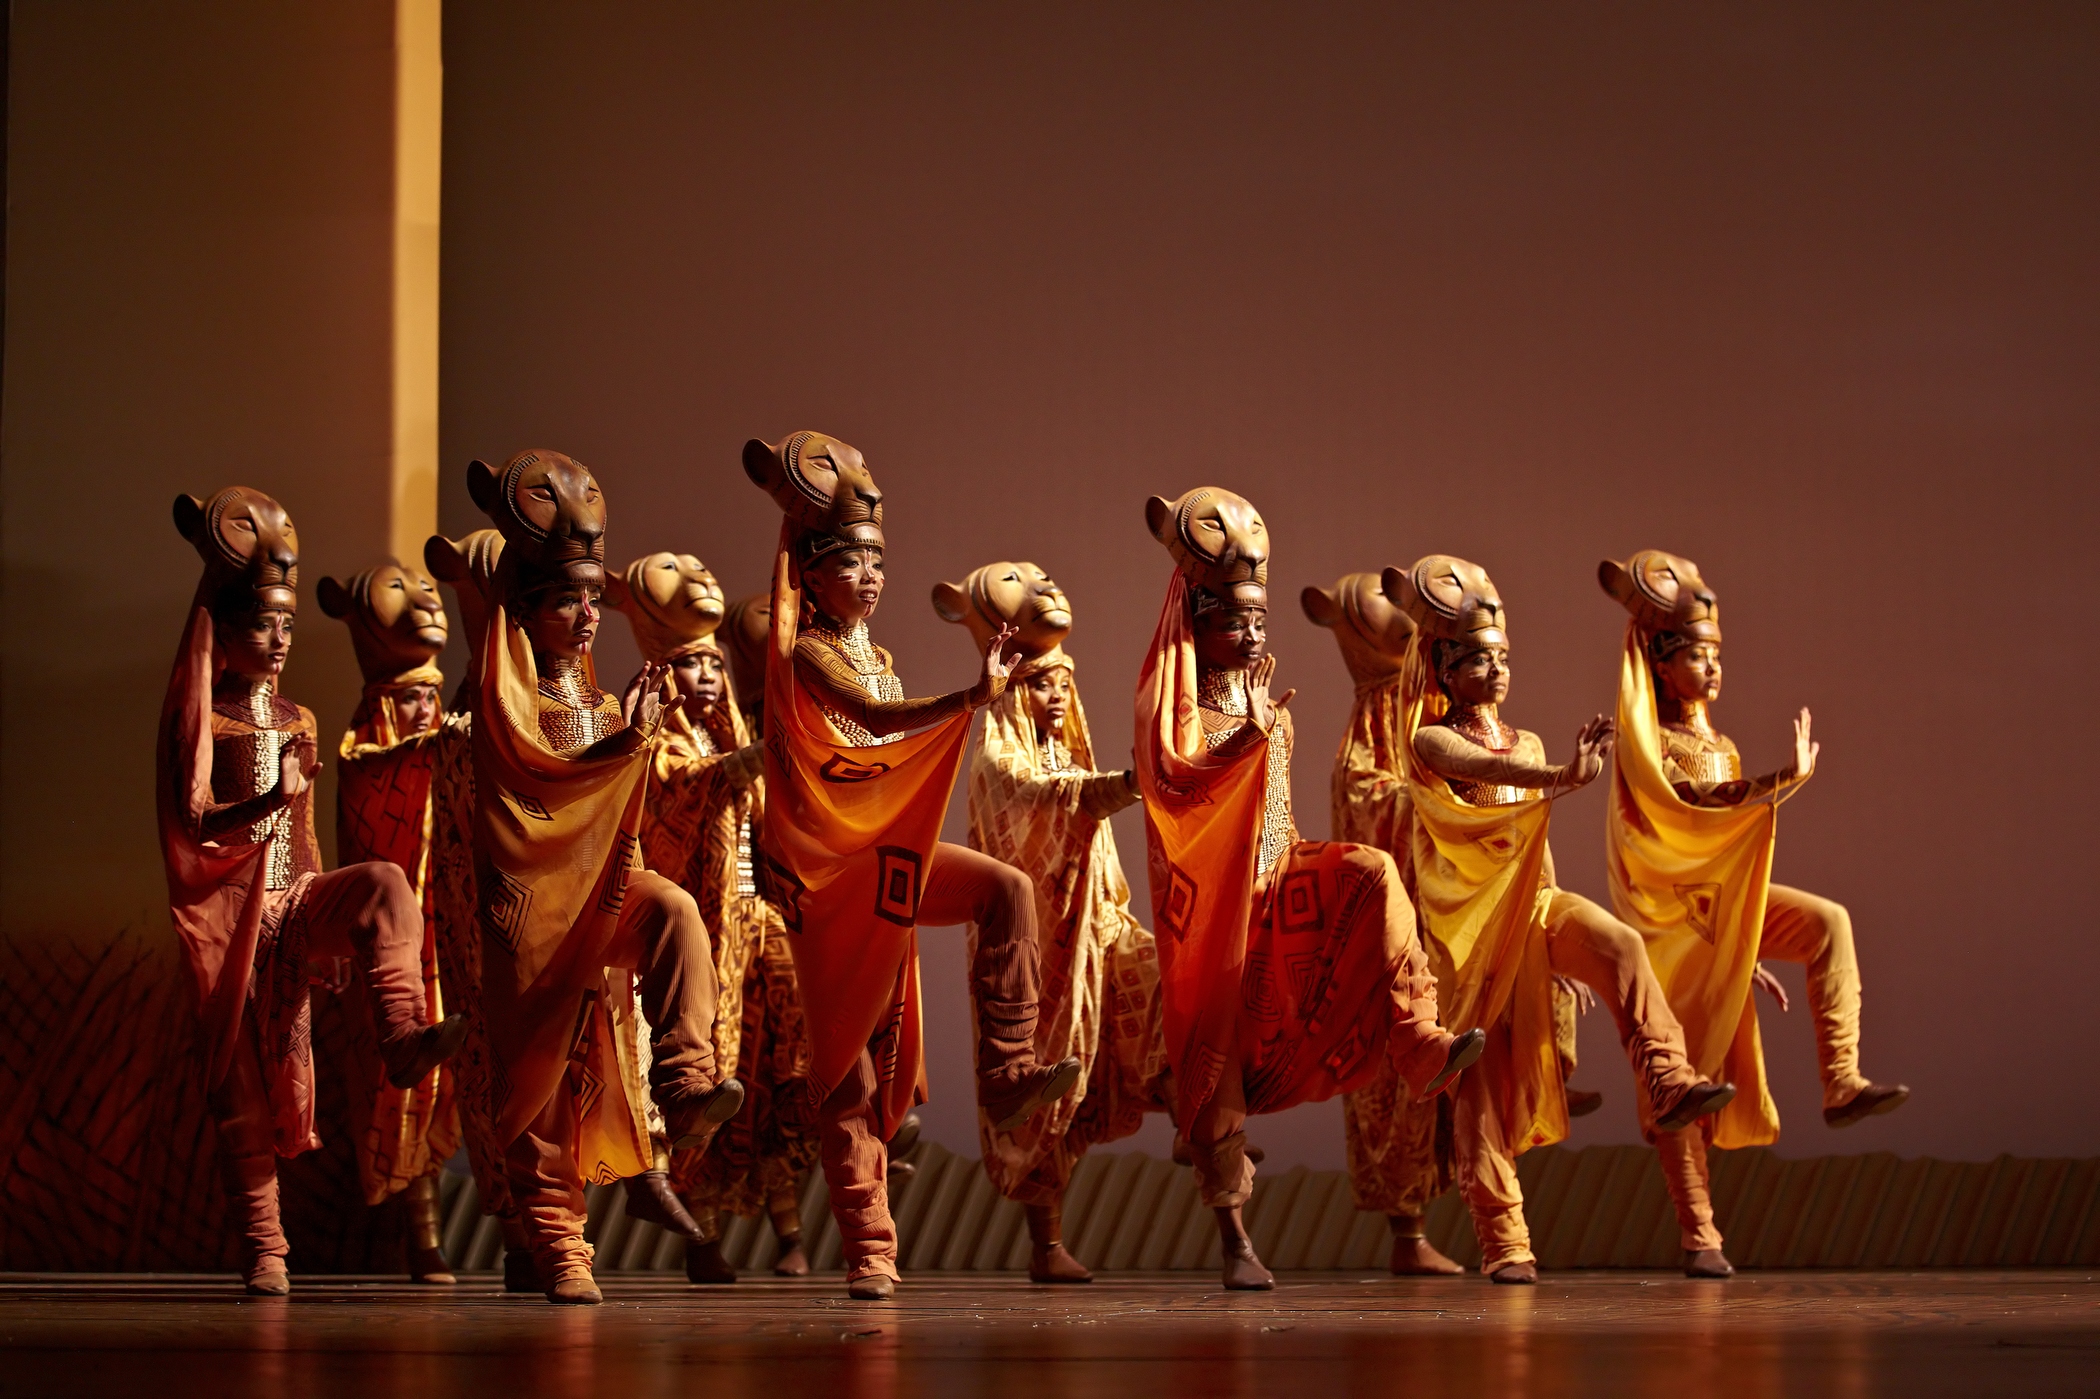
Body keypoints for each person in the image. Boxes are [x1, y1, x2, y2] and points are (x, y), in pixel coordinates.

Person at [743, 431, 1079, 1301]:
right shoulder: (808, 652)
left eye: (876, 562)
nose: (868, 576)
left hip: (884, 858)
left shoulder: (880, 656)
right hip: (831, 872)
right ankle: (869, 1245)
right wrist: (970, 698)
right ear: (809, 573)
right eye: (849, 561)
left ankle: (1007, 1072)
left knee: (1005, 889)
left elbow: (888, 735)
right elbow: (873, 723)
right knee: (850, 1066)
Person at [1133, 489, 1484, 1292]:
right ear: (1193, 618)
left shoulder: (1263, 697)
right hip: (1215, 908)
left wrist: (1263, 730)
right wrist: (1247, 737)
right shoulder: (1170, 698)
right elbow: (1174, 781)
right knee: (1213, 1070)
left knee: (1372, 871)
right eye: (1233, 619)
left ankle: (1417, 1037)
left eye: (1259, 620)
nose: (1252, 633)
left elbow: (1278, 811)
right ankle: (1234, 1237)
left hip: (1280, 877)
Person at [1388, 554, 1733, 1283]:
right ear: (1444, 668)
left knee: (1618, 944)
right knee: (1476, 1087)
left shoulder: (1532, 741)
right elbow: (1480, 771)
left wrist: (1557, 953)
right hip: (1472, 934)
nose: (1499, 672)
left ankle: (1667, 1077)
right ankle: (1505, 1239)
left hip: (1533, 907)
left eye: (1504, 658)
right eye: (1481, 661)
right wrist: (1558, 779)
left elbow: (1532, 849)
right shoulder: (1432, 741)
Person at [157, 486, 463, 1295]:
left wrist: (325, 906)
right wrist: (270, 796)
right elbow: (194, 824)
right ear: (221, 634)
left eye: (288, 624)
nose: (281, 638)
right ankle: (267, 1248)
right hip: (229, 928)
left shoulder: (299, 718)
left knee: (384, 885)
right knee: (242, 1092)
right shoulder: (202, 720)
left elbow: (306, 837)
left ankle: (400, 1035)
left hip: (291, 905)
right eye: (264, 623)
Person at [456, 449, 741, 1304]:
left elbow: (617, 807)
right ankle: (558, 1244)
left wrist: (634, 740)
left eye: (592, 600)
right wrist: (631, 746)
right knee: (545, 1075)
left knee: (676, 912)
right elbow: (543, 785)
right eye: (567, 602)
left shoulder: (607, 704)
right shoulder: (502, 701)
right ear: (528, 612)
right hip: (536, 910)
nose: (587, 615)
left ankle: (685, 1082)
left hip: (606, 892)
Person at [1598, 551, 1908, 1278]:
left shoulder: (1720, 743)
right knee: (1680, 1079)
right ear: (1661, 662)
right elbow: (1695, 812)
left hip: (1724, 912)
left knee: (1827, 920)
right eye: (1696, 656)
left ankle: (1842, 1081)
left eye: (1715, 656)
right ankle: (1700, 1233)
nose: (1712, 669)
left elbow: (1727, 858)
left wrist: (1745, 952)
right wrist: (1780, 783)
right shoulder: (1657, 749)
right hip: (1674, 925)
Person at [935, 561, 1172, 1283]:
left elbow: (1074, 788)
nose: (1058, 693)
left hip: (1098, 925)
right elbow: (1047, 797)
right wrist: (1125, 785)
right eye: (1041, 683)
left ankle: (1198, 1123)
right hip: (1038, 947)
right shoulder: (996, 762)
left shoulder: (1060, 750)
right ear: (1013, 692)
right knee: (1047, 1100)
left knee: (1165, 993)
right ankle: (1046, 1245)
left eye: (1063, 682)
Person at [609, 551, 821, 1282]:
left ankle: (828, 1127)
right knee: (709, 1074)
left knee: (787, 1046)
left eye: (713, 665)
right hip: (699, 929)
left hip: (754, 916)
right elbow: (673, 790)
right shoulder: (660, 740)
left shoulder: (725, 734)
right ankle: (701, 1240)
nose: (706, 677)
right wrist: (749, 763)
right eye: (691, 666)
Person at [313, 560, 461, 1282]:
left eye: (427, 587)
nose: (424, 598)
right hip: (411, 925)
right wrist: (426, 750)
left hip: (458, 908)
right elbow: (369, 777)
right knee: (401, 1065)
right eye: (396, 588)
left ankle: (531, 1231)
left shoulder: (449, 709)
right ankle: (418, 1232)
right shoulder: (376, 719)